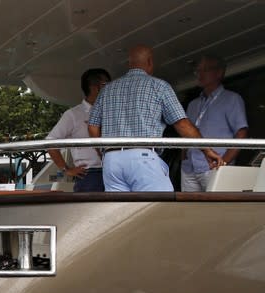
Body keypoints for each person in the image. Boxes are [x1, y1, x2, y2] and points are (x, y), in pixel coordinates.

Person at [88, 45, 225, 192]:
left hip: (111, 161)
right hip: (142, 157)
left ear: (129, 64)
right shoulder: (159, 86)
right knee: (159, 209)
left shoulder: (107, 89)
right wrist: (207, 150)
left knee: (122, 212)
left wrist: (103, 152)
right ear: (150, 62)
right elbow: (182, 124)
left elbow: (93, 126)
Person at [181, 55, 249, 191]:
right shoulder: (193, 104)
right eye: (197, 70)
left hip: (214, 168)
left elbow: (241, 132)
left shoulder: (232, 99)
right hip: (189, 168)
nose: (199, 74)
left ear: (219, 72)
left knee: (217, 210)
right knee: (190, 211)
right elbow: (185, 132)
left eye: (205, 70)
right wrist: (183, 157)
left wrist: (224, 163)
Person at [46, 68, 112, 192]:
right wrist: (66, 169)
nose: (111, 88)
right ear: (95, 88)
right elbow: (50, 142)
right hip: (90, 174)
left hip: (114, 171)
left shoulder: (111, 111)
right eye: (106, 84)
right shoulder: (73, 114)